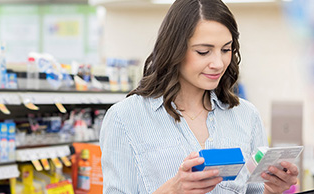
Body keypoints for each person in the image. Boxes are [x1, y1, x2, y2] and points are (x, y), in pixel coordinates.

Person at [99, 0, 299, 193]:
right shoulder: (124, 117)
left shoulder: (246, 116)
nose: (218, 63)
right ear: (174, 49)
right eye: (204, 52)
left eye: (226, 49)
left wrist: (272, 190)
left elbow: (254, 192)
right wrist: (172, 191)